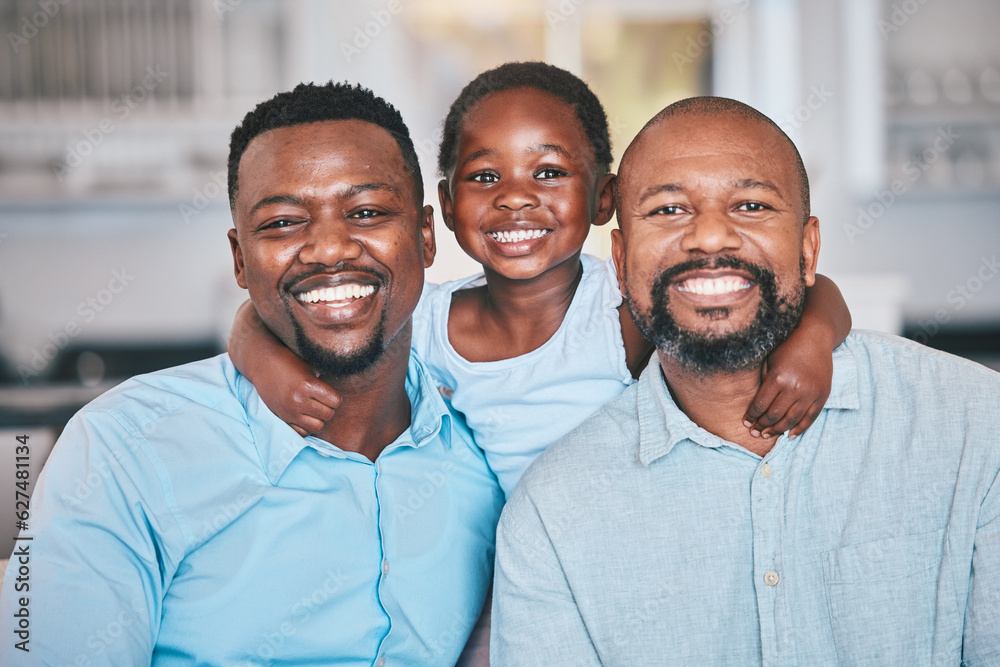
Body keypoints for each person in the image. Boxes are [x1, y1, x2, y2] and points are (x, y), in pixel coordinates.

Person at [0, 82, 504, 666]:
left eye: (366, 212)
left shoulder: (488, 438)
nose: (329, 249)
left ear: (424, 235)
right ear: (240, 260)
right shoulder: (123, 450)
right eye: (283, 223)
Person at [491, 96, 1000, 665]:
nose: (710, 238)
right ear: (620, 257)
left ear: (809, 250)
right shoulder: (552, 515)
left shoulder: (975, 427)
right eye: (667, 211)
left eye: (752, 205)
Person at [231, 62, 852, 499]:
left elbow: (811, 289)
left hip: (607, 538)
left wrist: (812, 344)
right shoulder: (421, 320)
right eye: (483, 178)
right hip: (487, 560)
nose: (515, 200)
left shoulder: (620, 310)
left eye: (549, 173)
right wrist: (268, 368)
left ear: (604, 197)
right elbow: (255, 318)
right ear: (445, 208)